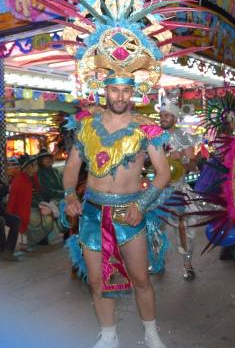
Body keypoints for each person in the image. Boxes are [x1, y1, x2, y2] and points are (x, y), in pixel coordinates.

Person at [63, 82, 171, 348]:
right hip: (92, 214)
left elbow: (163, 173)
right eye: (114, 90)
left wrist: (142, 205)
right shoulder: (87, 126)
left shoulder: (145, 128)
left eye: (126, 90)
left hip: (129, 213)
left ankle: (151, 333)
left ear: (132, 93)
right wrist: (69, 196)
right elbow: (71, 167)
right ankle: (109, 335)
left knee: (141, 279)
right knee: (98, 280)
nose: (120, 96)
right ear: (105, 91)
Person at [159, 102, 200, 280]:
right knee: (152, 227)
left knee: (183, 227)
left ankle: (187, 264)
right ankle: (157, 261)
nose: (164, 118)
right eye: (162, 115)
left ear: (175, 118)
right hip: (157, 189)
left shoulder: (183, 136)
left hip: (177, 190)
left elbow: (194, 166)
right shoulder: (155, 137)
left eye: (167, 115)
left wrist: (182, 157)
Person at [7, 154, 58, 250]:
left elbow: (39, 193)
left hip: (36, 205)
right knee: (36, 218)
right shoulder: (19, 179)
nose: (37, 165)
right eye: (34, 164)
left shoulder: (33, 177)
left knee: (48, 218)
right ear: (29, 167)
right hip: (24, 209)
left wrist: (44, 203)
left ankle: (40, 239)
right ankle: (34, 240)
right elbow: (17, 200)